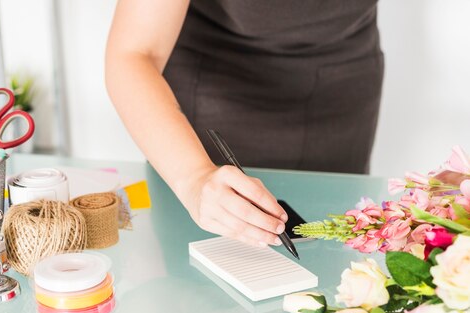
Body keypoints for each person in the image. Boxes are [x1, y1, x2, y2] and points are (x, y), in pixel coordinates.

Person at [105, 0, 384, 247]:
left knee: (332, 268)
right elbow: (134, 53)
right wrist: (194, 178)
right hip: (215, 99)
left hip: (341, 97)